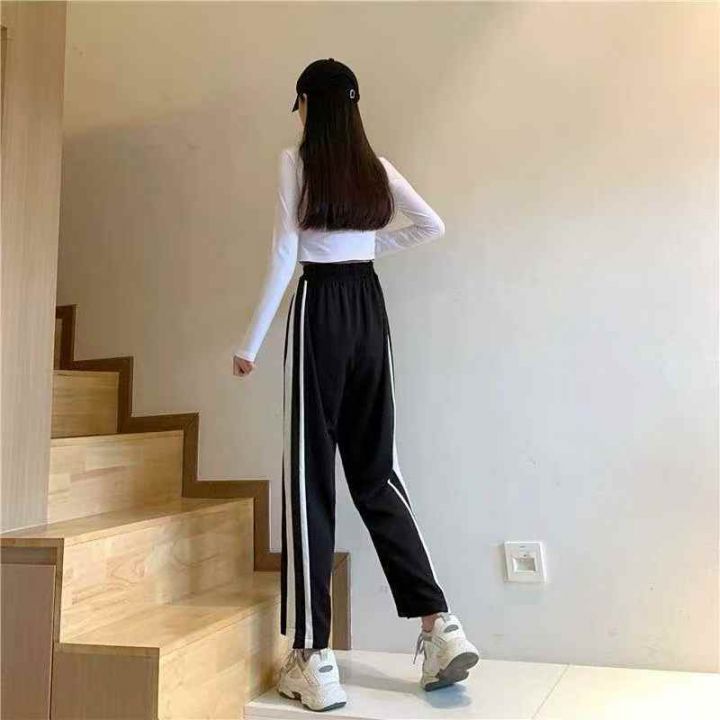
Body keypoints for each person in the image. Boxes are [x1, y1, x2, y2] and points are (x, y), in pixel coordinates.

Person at [233, 58, 479, 712]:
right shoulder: (378, 168)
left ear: (307, 105)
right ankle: (440, 626)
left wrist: (249, 344)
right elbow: (430, 226)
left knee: (309, 478)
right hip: (370, 312)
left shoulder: (295, 163)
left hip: (319, 311)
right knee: (378, 473)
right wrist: (367, 250)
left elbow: (285, 255)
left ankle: (314, 656)